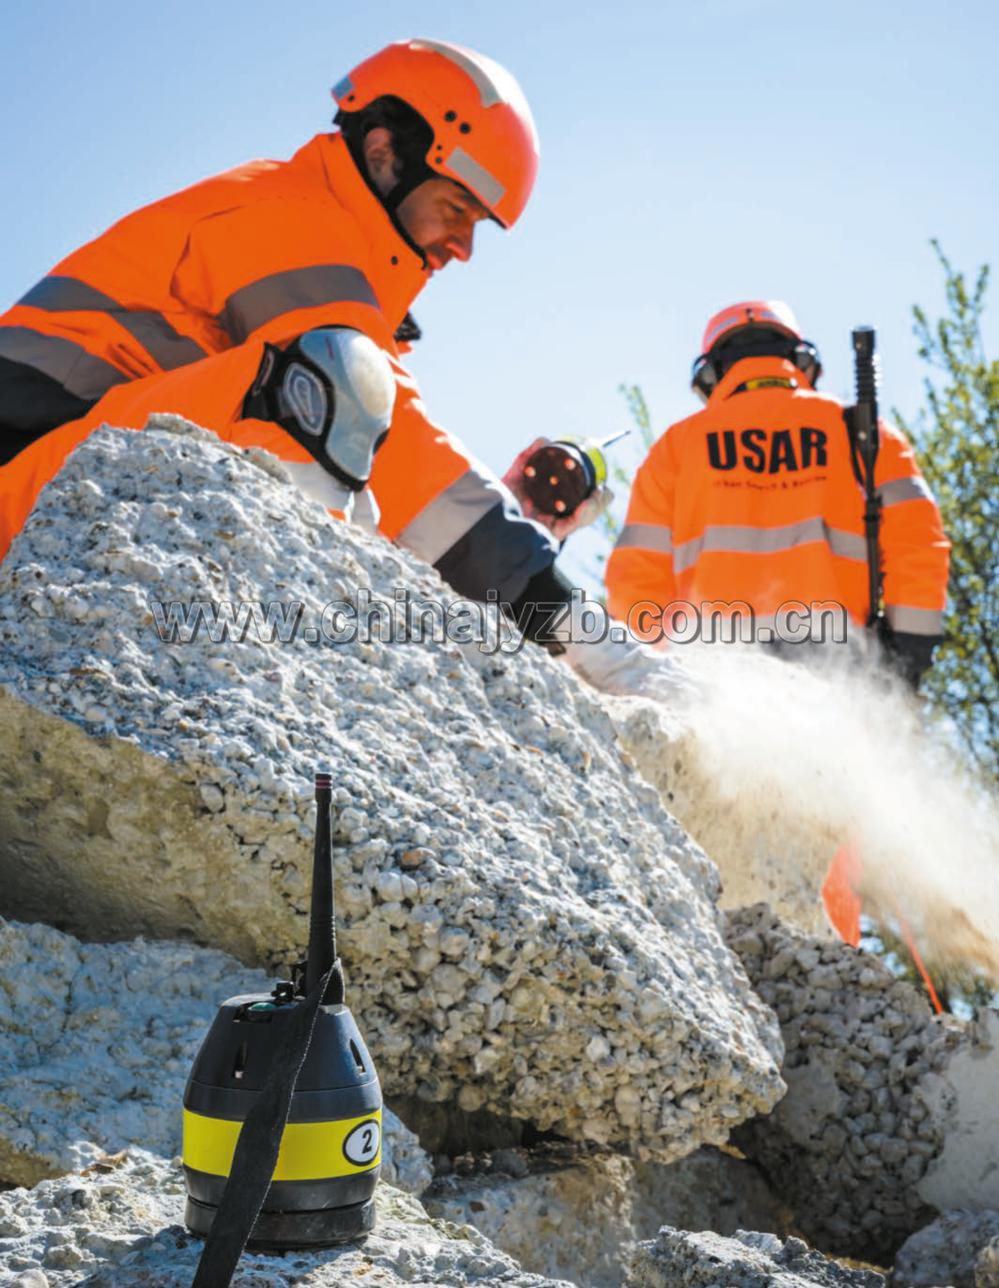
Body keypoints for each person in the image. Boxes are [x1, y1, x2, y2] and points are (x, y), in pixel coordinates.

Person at [0, 38, 687, 700]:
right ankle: (330, 664)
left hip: (59, 496)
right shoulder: (285, 214)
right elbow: (409, 463)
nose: (465, 246)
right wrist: (573, 626)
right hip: (28, 507)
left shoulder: (324, 255)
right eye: (457, 208)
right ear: (385, 153)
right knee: (336, 383)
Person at [604, 300, 950, 686]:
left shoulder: (675, 449)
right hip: (837, 667)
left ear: (710, 374)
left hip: (710, 669)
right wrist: (908, 655)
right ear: (801, 361)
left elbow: (635, 580)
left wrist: (658, 671)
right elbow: (918, 548)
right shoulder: (863, 434)